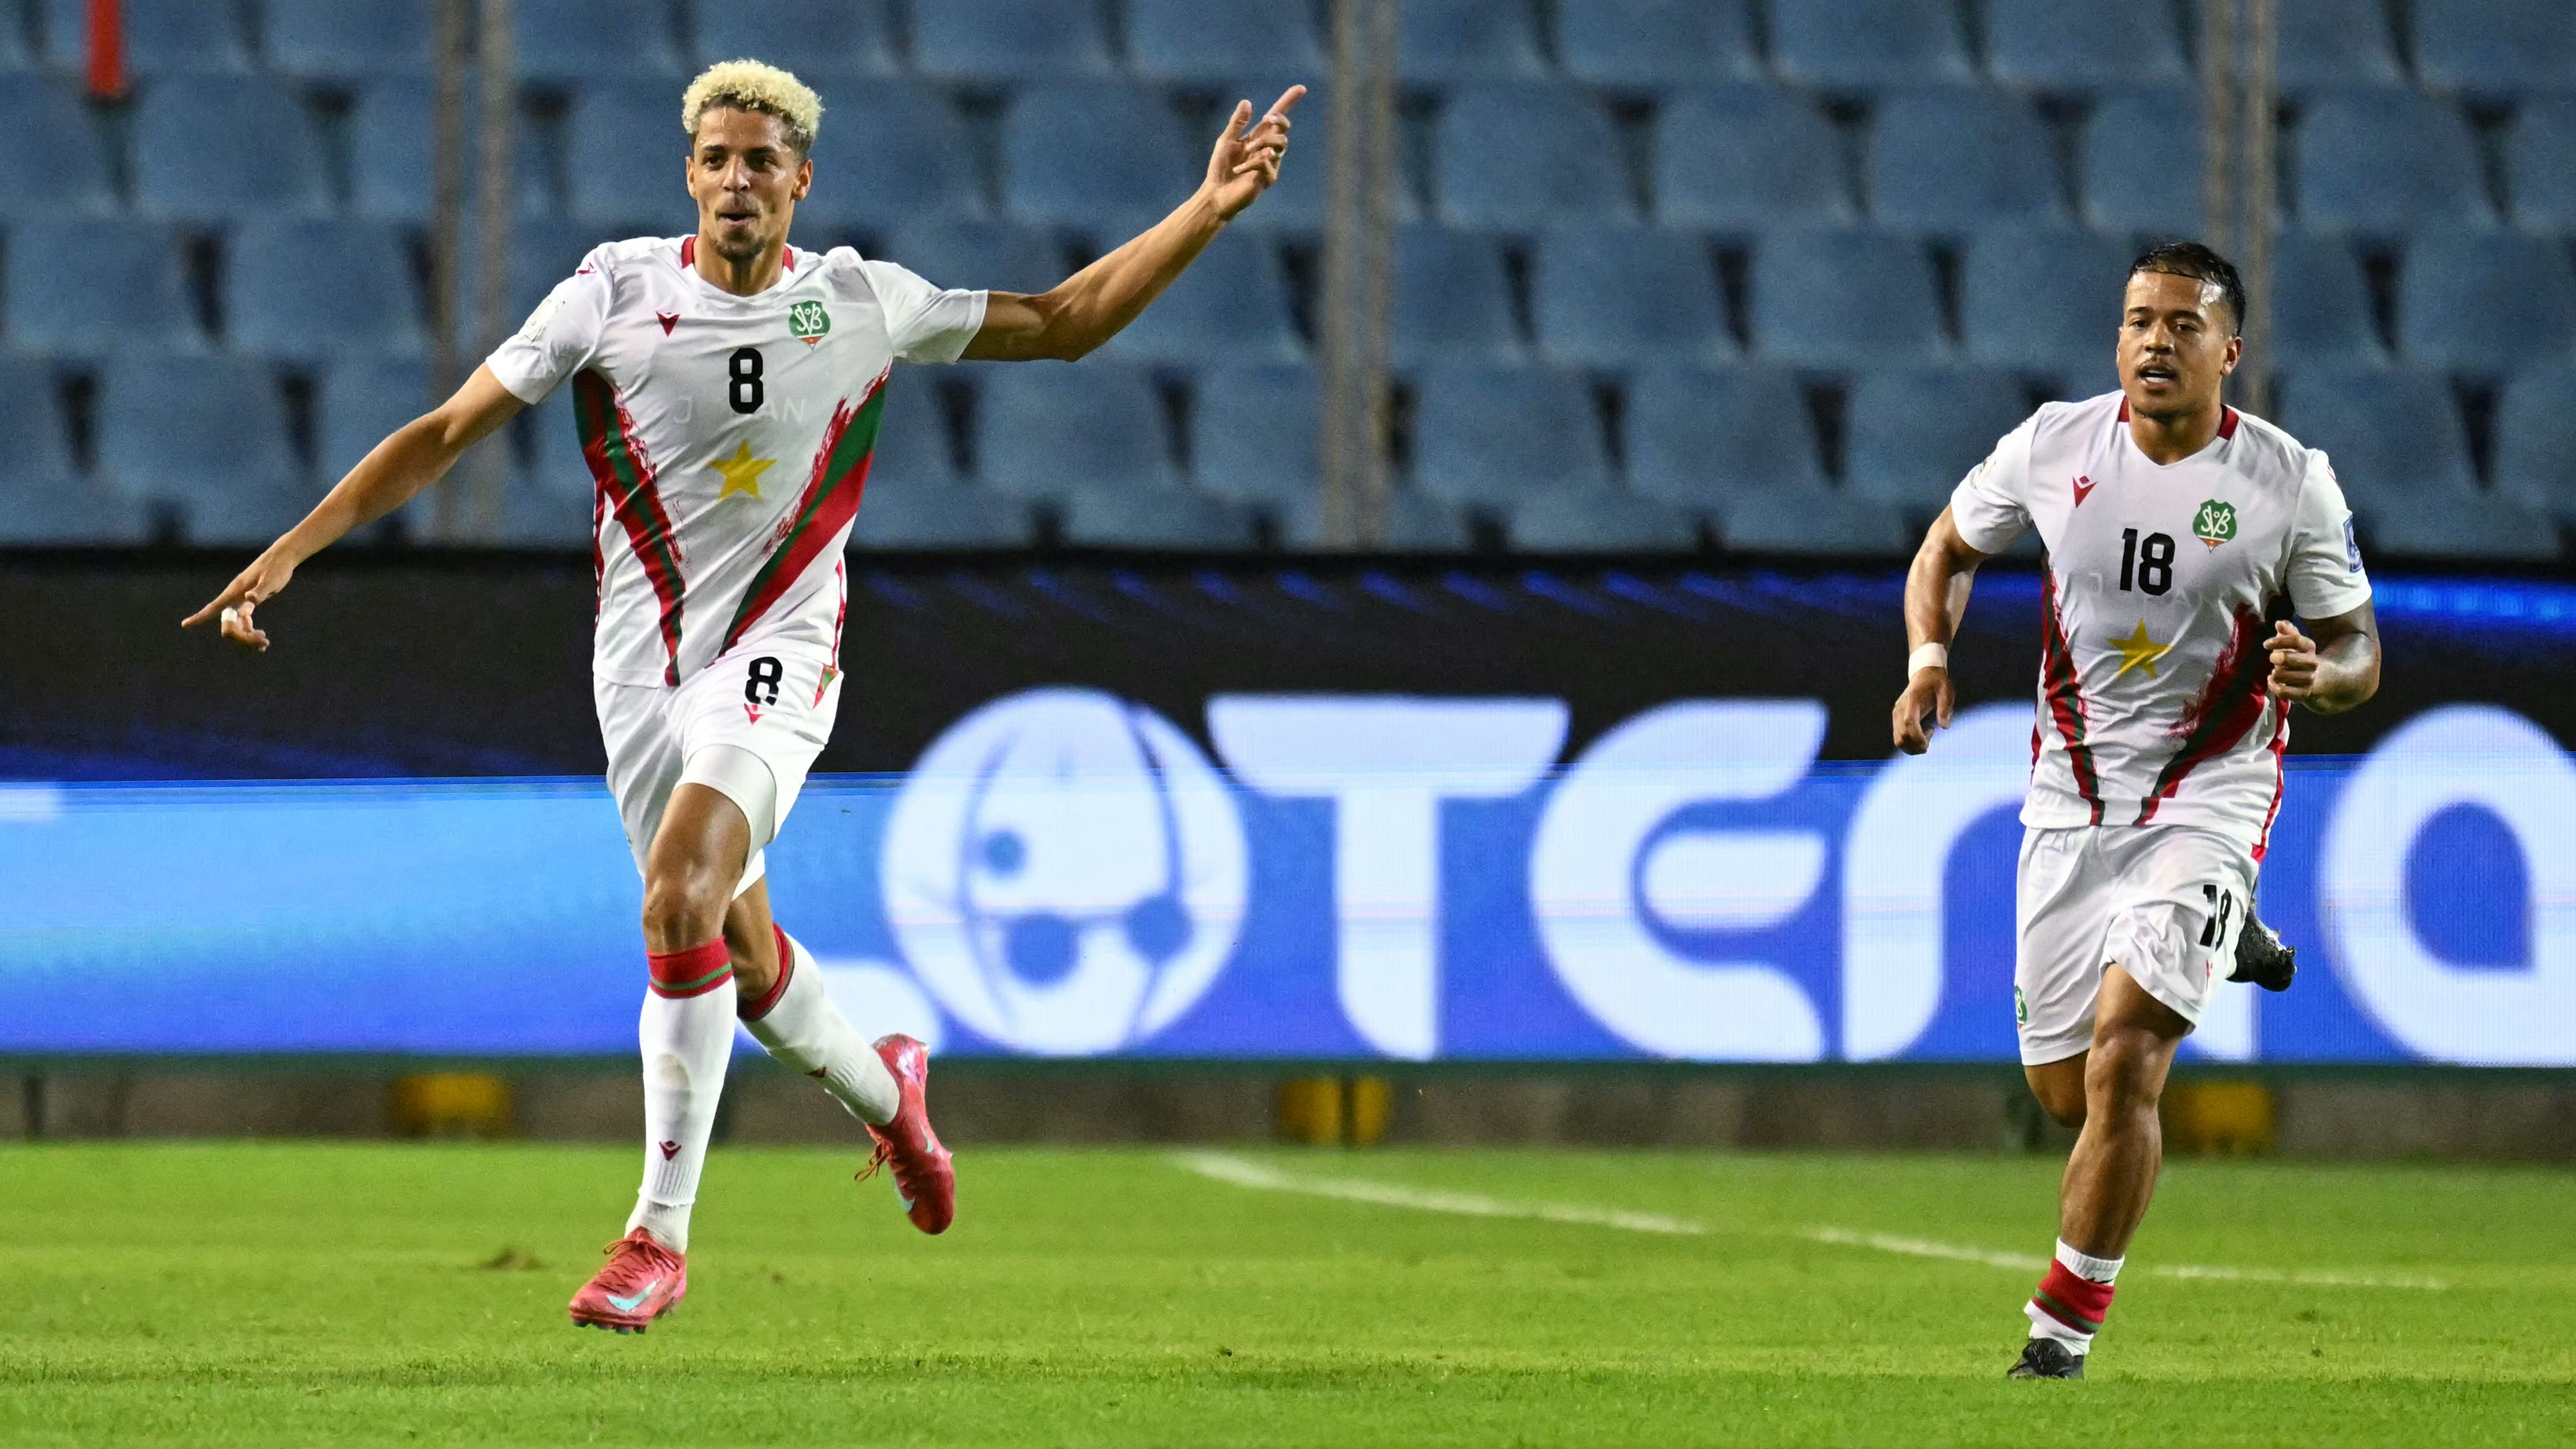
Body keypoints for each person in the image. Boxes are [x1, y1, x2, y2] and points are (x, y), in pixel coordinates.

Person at [184, 60, 1303, 1334]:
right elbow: (446, 430)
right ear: (688, 174)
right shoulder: (612, 294)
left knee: (678, 893)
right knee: (744, 954)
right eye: (715, 158)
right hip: (639, 670)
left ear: (800, 180)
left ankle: (654, 1238)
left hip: (782, 648)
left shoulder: (859, 301)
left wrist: (1204, 210)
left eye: (761, 161)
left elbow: (1062, 320)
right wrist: (295, 548)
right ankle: (893, 1098)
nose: (736, 180)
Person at [1890, 243, 2380, 1379]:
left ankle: (2058, 1333)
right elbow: (1946, 549)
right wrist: (1928, 659)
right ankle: (2229, 932)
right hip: (2070, 803)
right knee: (2067, 1092)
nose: (2155, 340)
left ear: (2229, 351)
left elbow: (2359, 646)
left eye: (2182, 324)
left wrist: (2325, 673)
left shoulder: (2289, 479)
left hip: (2209, 795)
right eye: (2138, 320)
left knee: (2127, 1061)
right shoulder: (2054, 444)